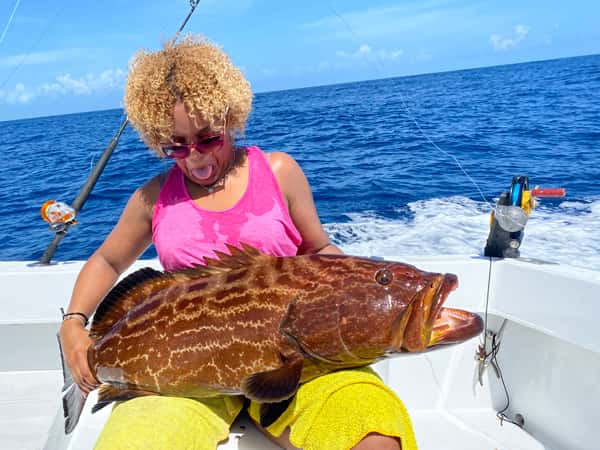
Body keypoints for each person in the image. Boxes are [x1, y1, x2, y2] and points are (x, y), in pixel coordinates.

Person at [59, 35, 416, 450]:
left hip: (297, 363)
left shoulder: (279, 171)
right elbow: (105, 260)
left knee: (374, 436)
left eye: (209, 138)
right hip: (184, 377)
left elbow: (319, 252)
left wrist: (363, 292)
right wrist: (74, 325)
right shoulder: (153, 197)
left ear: (230, 116)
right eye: (175, 146)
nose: (195, 157)